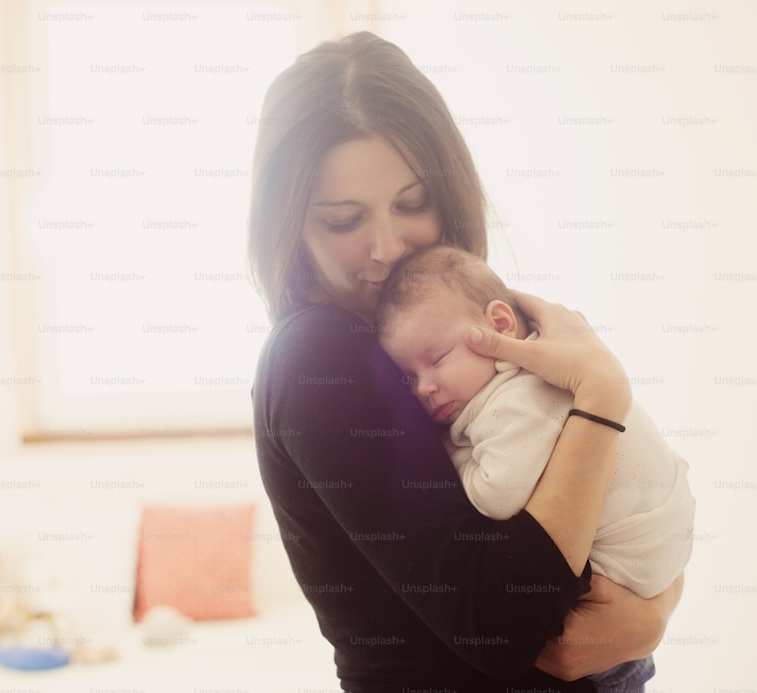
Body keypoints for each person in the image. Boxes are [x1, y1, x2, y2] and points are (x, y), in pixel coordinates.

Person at [247, 31, 684, 692]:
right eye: (343, 220)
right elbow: (503, 623)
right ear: (289, 227)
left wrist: (655, 609)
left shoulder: (450, 318)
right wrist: (601, 396)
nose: (386, 249)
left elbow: (621, 498)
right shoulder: (320, 357)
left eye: (412, 204)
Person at [374, 246, 696, 693]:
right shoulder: (530, 377)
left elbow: (498, 496)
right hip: (654, 577)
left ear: (500, 324)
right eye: (408, 377)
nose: (424, 387)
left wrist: (450, 456)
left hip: (618, 604)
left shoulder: (516, 397)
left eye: (437, 359)